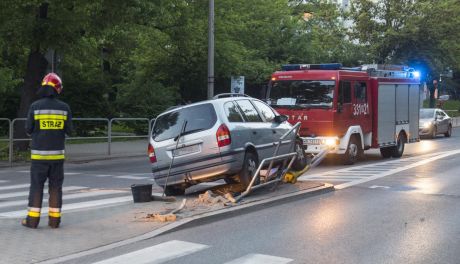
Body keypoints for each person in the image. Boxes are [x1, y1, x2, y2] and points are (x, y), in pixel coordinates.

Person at [22, 73, 72, 229]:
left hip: (38, 157)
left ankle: (32, 221)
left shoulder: (35, 106)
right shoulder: (64, 108)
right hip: (57, 157)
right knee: (55, 187)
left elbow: (28, 129)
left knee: (36, 187)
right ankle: (54, 221)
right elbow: (70, 130)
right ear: (57, 88)